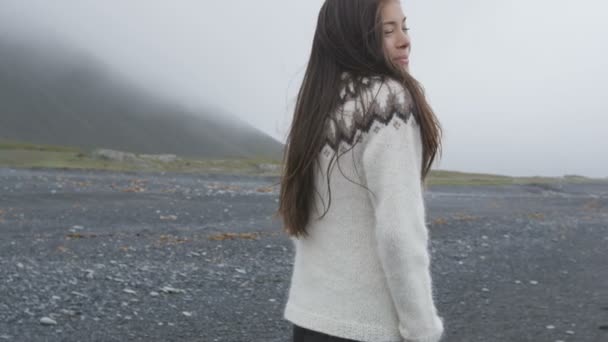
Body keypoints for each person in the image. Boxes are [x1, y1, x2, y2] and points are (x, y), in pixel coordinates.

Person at [275, 0, 445, 341]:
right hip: (366, 328)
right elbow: (399, 234)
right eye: (387, 30)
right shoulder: (388, 102)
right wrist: (422, 331)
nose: (404, 40)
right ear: (354, 37)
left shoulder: (318, 105)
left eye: (404, 27)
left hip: (309, 320)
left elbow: (304, 219)